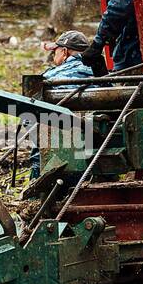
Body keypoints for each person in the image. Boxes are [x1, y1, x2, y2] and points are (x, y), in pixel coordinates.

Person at [29, 30, 95, 178]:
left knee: (33, 121)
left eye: (55, 52)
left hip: (58, 131)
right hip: (94, 132)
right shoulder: (100, 72)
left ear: (64, 52)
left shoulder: (51, 76)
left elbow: (31, 105)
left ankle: (36, 179)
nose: (53, 56)